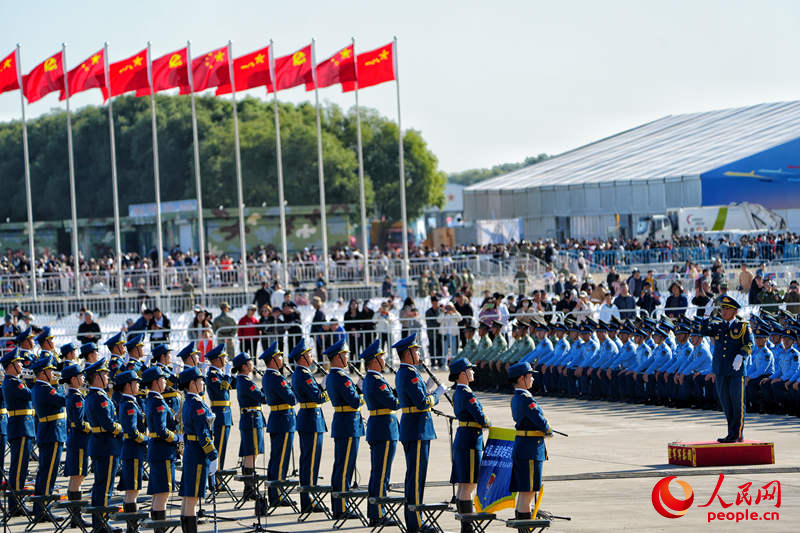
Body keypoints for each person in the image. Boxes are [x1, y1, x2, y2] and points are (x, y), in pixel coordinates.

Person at [394, 333, 444, 533]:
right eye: (415, 350)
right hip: (417, 429)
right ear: (407, 354)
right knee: (416, 478)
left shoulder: (406, 372)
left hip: (413, 428)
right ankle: (415, 523)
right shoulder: (411, 373)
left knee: (415, 476)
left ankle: (415, 520)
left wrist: (428, 389)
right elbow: (422, 403)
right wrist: (437, 396)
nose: (418, 353)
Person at [699, 295, 755, 443]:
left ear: (734, 312)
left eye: (727, 309)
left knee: (737, 403)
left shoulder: (743, 326)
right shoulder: (718, 326)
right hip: (721, 370)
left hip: (736, 370)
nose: (723, 311)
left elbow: (750, 344)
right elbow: (703, 331)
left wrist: (741, 355)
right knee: (726, 403)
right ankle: (731, 433)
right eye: (722, 308)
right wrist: (706, 314)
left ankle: (738, 433)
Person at [360, 339, 400, 528]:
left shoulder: (372, 378)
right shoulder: (376, 380)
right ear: (375, 360)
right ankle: (377, 513)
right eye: (382, 357)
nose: (385, 360)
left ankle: (376, 511)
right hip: (384, 430)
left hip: (380, 428)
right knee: (381, 474)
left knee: (378, 473)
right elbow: (392, 403)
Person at [325, 338, 365, 520]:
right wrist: (363, 392)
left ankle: (339, 505)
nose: (348, 357)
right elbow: (355, 401)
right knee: (344, 467)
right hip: (348, 424)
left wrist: (357, 388)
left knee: (341, 466)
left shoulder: (333, 376)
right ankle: (341, 507)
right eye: (345, 355)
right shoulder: (341, 376)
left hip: (343, 423)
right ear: (338, 357)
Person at [449, 358, 490, 533]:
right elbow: (480, 418)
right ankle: (467, 526)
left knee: (463, 485)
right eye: (469, 370)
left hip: (463, 438)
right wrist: (488, 422)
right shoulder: (467, 394)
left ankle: (465, 524)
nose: (473, 372)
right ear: (462, 374)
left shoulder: (459, 393)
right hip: (471, 440)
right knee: (469, 484)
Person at [289, 339, 329, 514]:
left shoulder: (303, 373)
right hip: (310, 420)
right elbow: (318, 397)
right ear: (303, 357)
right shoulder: (303, 374)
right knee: (310, 462)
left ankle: (309, 498)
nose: (312, 357)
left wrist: (321, 386)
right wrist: (327, 389)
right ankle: (309, 500)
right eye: (310, 354)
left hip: (310, 419)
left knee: (309, 461)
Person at [508, 361, 552, 521]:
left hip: (522, 446)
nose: (532, 378)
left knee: (524, 491)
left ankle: (522, 526)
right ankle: (525, 528)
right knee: (529, 491)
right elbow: (540, 421)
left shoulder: (516, 397)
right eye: (530, 375)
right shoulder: (526, 399)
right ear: (521, 378)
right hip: (530, 449)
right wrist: (548, 430)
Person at [84, 359, 123, 531]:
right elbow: (108, 424)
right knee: (105, 486)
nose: (107, 376)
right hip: (106, 444)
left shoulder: (93, 396)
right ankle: (101, 524)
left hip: (99, 443)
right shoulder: (100, 398)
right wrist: (120, 428)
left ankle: (99, 522)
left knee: (100, 485)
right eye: (105, 373)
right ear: (97, 377)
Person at [179, 366, 217, 533]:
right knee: (193, 498)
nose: (203, 383)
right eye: (200, 380)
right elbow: (203, 434)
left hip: (190, 452)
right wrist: (213, 455)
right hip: (197, 454)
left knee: (188, 498)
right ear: (192, 383)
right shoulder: (196, 404)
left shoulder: (188, 401)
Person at [259, 341, 297, 506]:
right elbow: (292, 398)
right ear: (274, 359)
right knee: (281, 460)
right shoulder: (275, 377)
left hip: (278, 419)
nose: (282, 358)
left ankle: (276, 494)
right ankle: (277, 496)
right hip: (283, 421)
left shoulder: (268, 376)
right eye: (280, 356)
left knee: (276, 459)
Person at [30, 355, 67, 519]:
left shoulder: (41, 387)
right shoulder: (45, 389)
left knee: (45, 472)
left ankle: (40, 508)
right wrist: (63, 387)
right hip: (51, 434)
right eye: (51, 371)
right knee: (48, 473)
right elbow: (62, 400)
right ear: (43, 373)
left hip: (49, 433)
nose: (53, 374)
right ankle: (43, 510)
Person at [142, 365, 179, 525]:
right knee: (164, 491)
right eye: (163, 379)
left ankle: (158, 525)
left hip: (157, 449)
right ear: (156, 382)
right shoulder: (157, 402)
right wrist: (177, 438)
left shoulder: (153, 399)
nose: (165, 382)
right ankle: (160, 527)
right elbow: (162, 430)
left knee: (159, 492)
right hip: (163, 450)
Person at [2, 348, 34, 516]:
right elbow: (31, 395)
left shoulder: (13, 381)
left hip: (22, 428)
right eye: (18, 363)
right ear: (11, 366)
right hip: (20, 429)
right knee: (18, 469)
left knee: (21, 468)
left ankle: (18, 503)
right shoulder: (13, 382)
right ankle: (15, 506)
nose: (21, 365)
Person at [115, 370, 148, 524]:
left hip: (132, 449)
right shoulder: (128, 404)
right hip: (133, 449)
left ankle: (132, 526)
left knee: (132, 489)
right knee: (133, 489)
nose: (138, 385)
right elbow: (132, 431)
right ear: (128, 385)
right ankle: (132, 526)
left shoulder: (129, 402)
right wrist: (147, 440)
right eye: (135, 383)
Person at [233, 351, 266, 500]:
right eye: (250, 362)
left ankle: (249, 488)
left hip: (249, 418)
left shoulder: (242, 381)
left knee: (249, 454)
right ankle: (250, 488)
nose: (252, 364)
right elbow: (262, 398)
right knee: (252, 453)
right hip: (252, 419)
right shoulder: (247, 382)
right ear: (244, 366)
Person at [205, 345, 233, 474]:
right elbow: (222, 390)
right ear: (216, 360)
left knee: (223, 447)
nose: (226, 360)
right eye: (223, 358)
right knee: (219, 447)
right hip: (220, 413)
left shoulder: (219, 374)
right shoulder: (212, 375)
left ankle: (217, 476)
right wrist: (227, 374)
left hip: (225, 413)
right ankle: (216, 478)